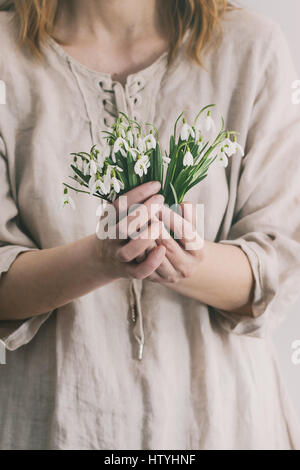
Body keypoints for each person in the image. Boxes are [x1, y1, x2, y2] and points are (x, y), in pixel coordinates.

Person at [0, 0, 300, 450]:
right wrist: (100, 259)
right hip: (58, 426)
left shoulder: (250, 48)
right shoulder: (7, 55)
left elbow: (279, 263)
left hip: (220, 425)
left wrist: (190, 260)